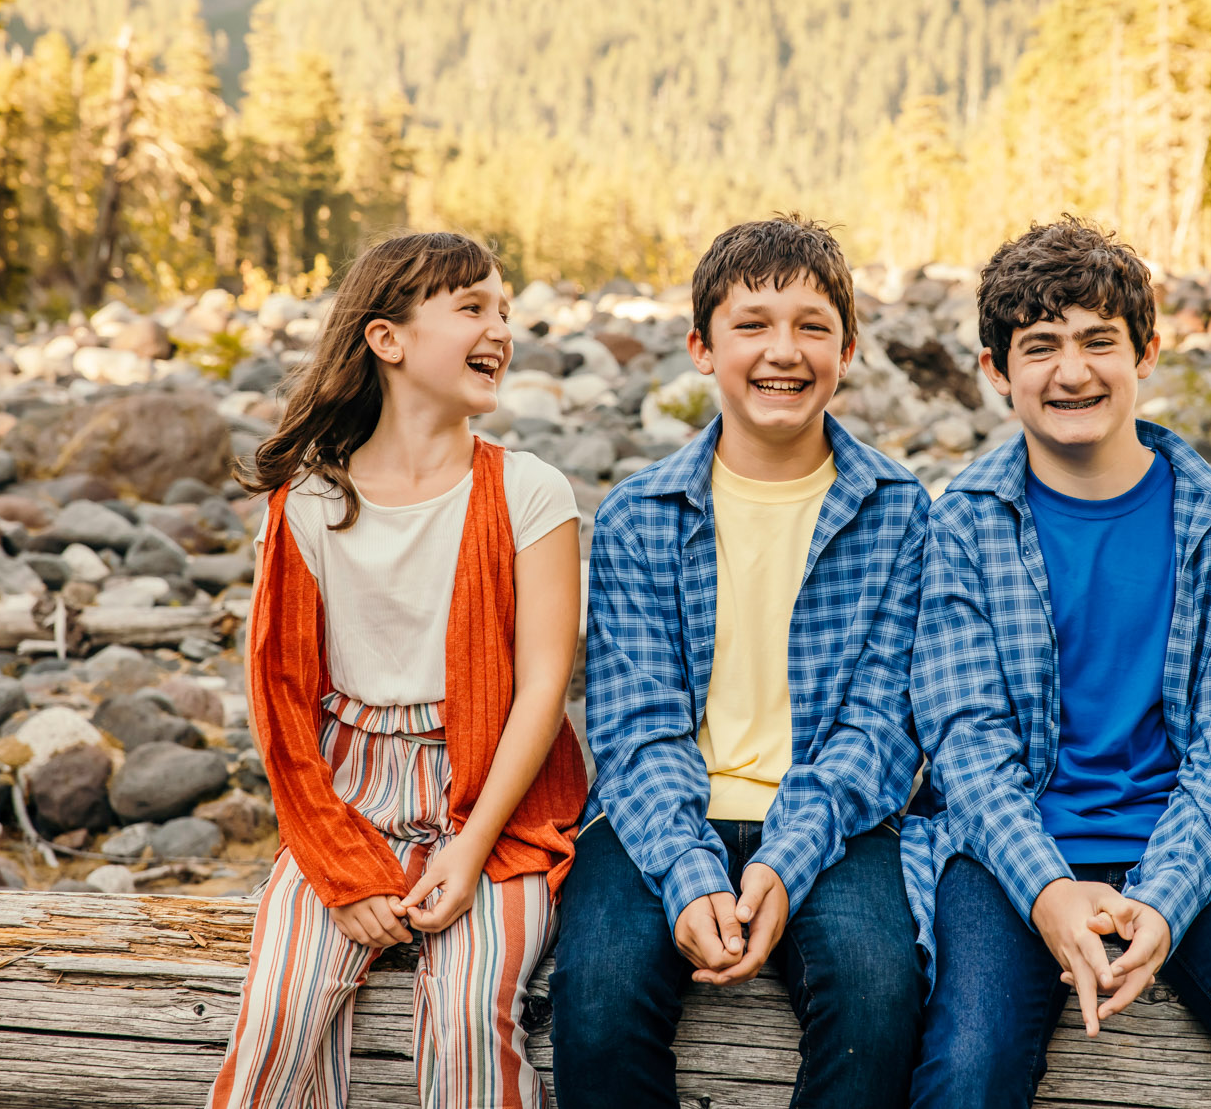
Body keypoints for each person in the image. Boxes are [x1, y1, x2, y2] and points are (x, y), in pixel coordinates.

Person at [903, 217, 1211, 1109]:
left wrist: (1161, 901)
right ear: (994, 371)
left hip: (1188, 843)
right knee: (967, 1065)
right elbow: (964, 746)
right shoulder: (963, 523)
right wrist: (1049, 893)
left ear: (1147, 352)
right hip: (1011, 854)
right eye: (1039, 347)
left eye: (1098, 342)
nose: (1072, 371)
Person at [550, 214, 926, 1109]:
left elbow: (882, 728)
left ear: (847, 347)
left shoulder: (899, 511)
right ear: (701, 348)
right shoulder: (643, 514)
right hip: (657, 811)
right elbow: (635, 730)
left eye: (811, 326)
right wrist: (688, 875)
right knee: (596, 1004)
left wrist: (783, 862)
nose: (782, 352)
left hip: (838, 818)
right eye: (751, 326)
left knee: (880, 1002)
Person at [207, 231, 588, 1109]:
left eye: (504, 308)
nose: (500, 328)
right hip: (347, 795)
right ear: (388, 339)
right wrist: (345, 872)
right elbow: (281, 703)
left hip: (500, 798)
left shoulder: (529, 492)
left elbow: (543, 688)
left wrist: (471, 844)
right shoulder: (309, 501)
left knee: (467, 1015)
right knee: (279, 1013)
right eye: (472, 308)